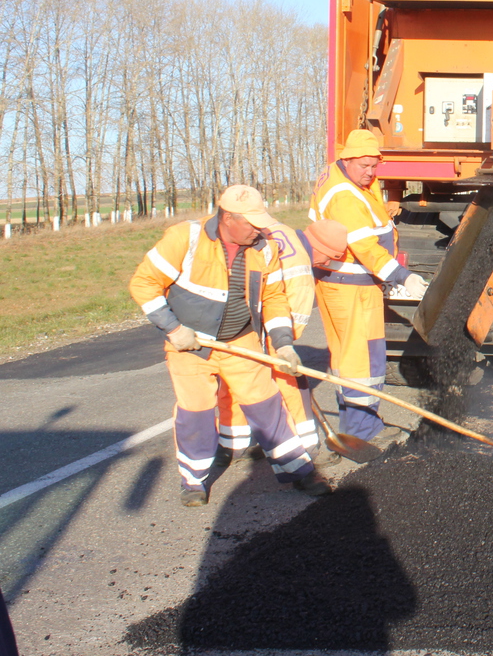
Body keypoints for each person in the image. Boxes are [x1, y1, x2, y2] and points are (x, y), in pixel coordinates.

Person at [129, 185, 332, 506]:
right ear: (227, 218)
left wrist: (283, 344)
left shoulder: (265, 248)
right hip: (190, 346)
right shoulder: (185, 238)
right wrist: (174, 329)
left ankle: (299, 470)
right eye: (251, 223)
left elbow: (274, 298)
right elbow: (143, 283)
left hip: (241, 341)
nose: (258, 230)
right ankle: (193, 482)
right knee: (195, 413)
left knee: (267, 407)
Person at [310, 130, 428, 443]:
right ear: (347, 159)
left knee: (355, 358)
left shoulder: (346, 175)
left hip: (351, 284)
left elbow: (370, 209)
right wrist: (402, 276)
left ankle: (358, 425)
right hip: (351, 287)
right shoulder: (343, 197)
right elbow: (365, 247)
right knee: (361, 361)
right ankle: (361, 432)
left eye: (375, 166)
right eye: (364, 166)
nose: (371, 172)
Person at [214, 218, 350, 468]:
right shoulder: (302, 272)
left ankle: (233, 445)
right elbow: (291, 325)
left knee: (233, 381)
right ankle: (305, 447)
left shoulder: (282, 231)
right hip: (263, 328)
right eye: (329, 258)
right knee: (291, 383)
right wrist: (282, 347)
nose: (326, 265)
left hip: (233, 319)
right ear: (319, 248)